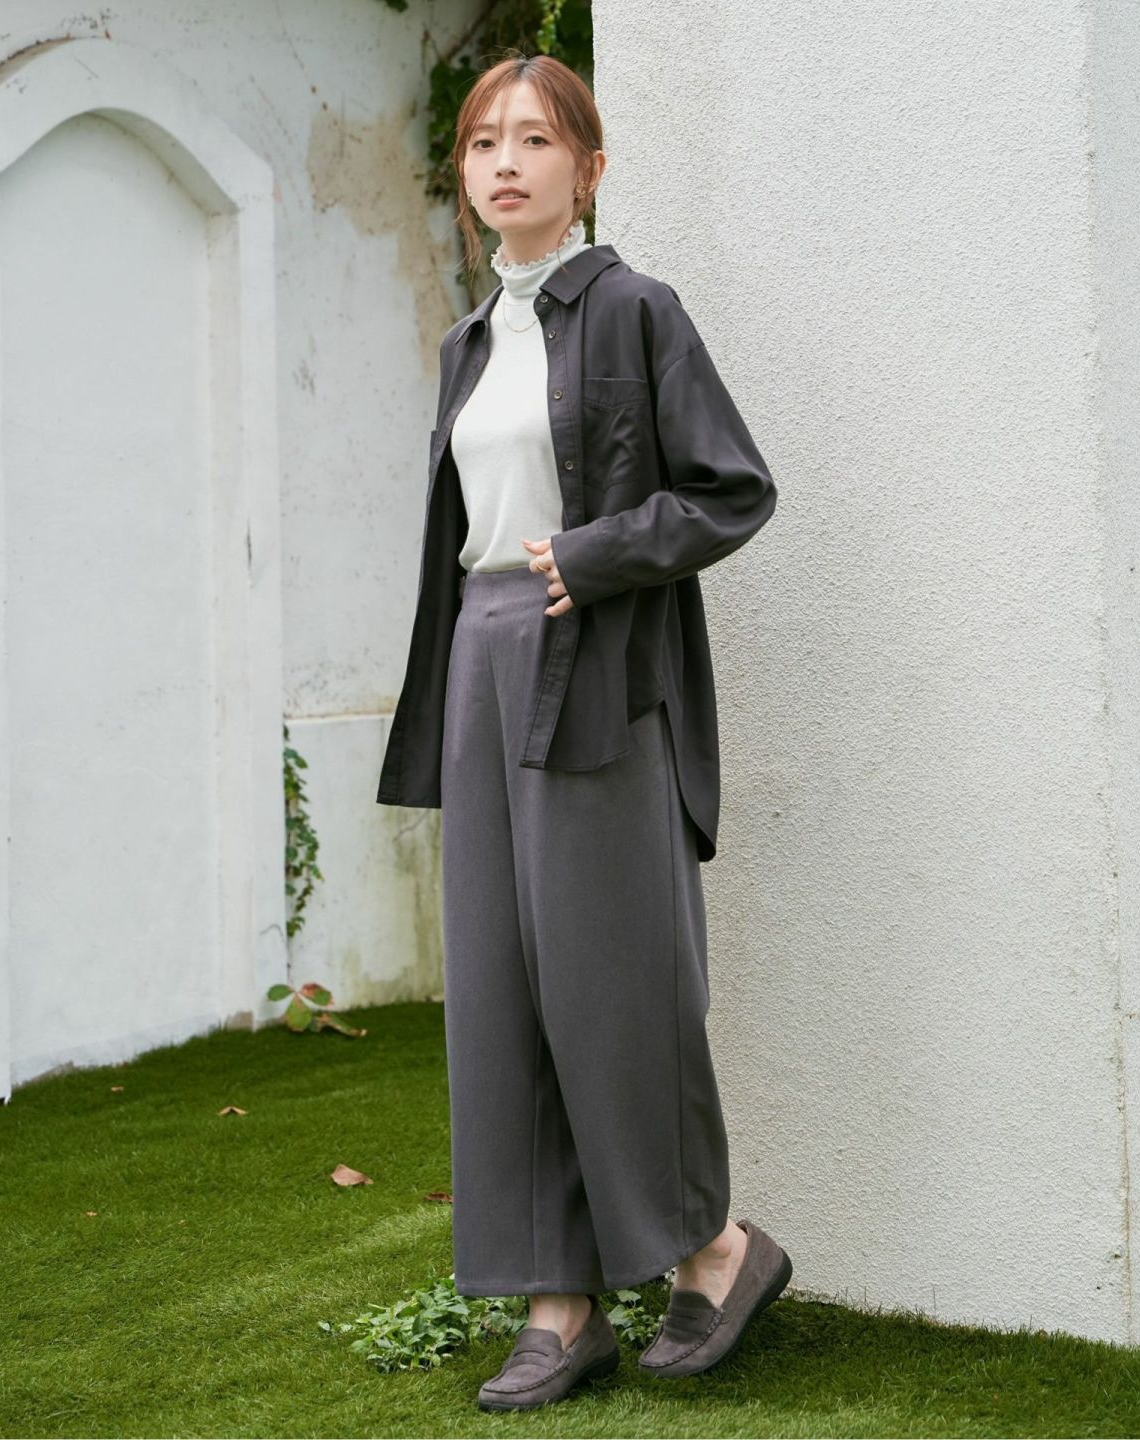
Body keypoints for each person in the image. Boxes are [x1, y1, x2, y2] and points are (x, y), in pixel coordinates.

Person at [376, 52, 792, 1412]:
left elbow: (732, 488)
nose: (505, 163)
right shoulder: (469, 341)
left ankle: (713, 1250)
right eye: (483, 143)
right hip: (484, 661)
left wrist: (601, 554)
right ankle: (558, 1302)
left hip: (598, 663)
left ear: (590, 168)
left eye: (536, 140)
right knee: (502, 987)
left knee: (611, 982)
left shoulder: (636, 312)